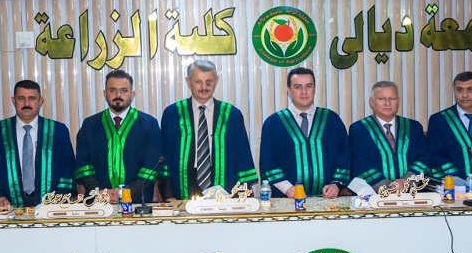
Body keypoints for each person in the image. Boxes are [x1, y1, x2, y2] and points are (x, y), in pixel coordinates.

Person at [160, 60, 258, 199]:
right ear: (188, 81)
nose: (204, 87)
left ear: (216, 80)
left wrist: (244, 196)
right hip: (184, 183)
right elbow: (165, 156)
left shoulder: (232, 115)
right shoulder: (173, 114)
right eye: (198, 82)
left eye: (209, 82)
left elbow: (243, 156)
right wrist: (168, 196)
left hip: (225, 183)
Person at [0, 80, 76, 207]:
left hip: (50, 206)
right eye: (21, 98)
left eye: (32, 98)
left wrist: (58, 197)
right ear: (13, 100)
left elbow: (68, 169)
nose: (26, 104)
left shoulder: (58, 131)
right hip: (8, 206)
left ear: (41, 101)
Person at [259, 67, 351, 198]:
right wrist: (287, 188)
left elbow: (344, 155)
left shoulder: (331, 120)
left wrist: (336, 184)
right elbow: (267, 162)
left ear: (314, 88)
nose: (304, 92)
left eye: (309, 86)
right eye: (298, 87)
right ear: (289, 90)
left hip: (327, 199)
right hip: (287, 199)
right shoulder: (273, 123)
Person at [75, 70, 162, 203]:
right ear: (105, 93)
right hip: (98, 202)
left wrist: (126, 193)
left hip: (138, 202)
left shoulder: (149, 124)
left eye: (124, 90)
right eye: (112, 90)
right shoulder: (90, 125)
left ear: (132, 94)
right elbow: (83, 164)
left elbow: (151, 165)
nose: (118, 95)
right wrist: (101, 192)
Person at [349, 81, 431, 192]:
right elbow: (360, 163)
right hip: (375, 193)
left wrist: (406, 181)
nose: (387, 103)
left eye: (392, 98)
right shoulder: (359, 129)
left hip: (412, 192)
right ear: (371, 102)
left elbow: (425, 157)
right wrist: (387, 187)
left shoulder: (413, 127)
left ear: (398, 101)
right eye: (381, 99)